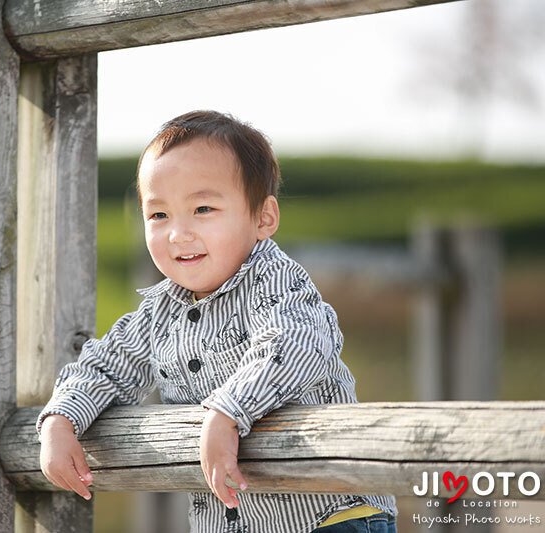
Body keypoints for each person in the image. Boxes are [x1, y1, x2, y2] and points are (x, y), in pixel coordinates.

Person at [37, 110, 397, 533]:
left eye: (202, 208)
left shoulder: (275, 281)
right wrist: (61, 420)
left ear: (263, 218)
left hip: (330, 516)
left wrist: (227, 411)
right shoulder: (159, 311)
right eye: (159, 215)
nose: (178, 233)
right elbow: (106, 366)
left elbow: (298, 345)